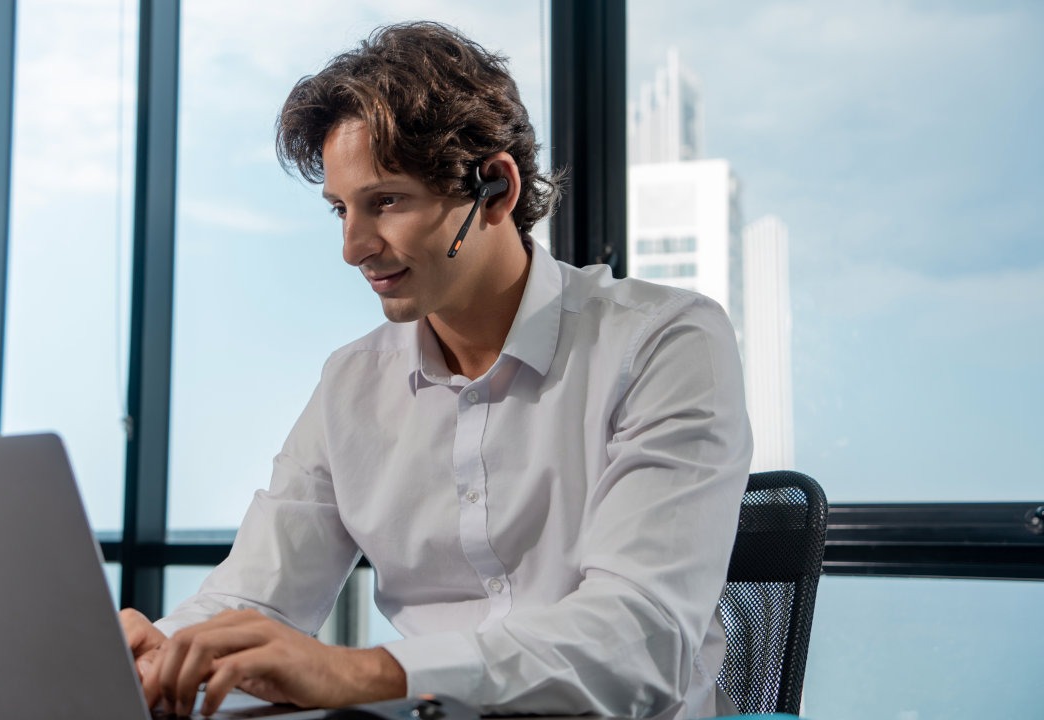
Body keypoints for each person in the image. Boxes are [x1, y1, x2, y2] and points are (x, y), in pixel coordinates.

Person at [121, 21, 752, 720]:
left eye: (386, 202)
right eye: (341, 210)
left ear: (497, 189)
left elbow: (640, 641)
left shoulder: (664, 341)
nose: (354, 247)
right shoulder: (351, 383)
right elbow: (256, 594)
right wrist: (164, 650)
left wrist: (361, 672)